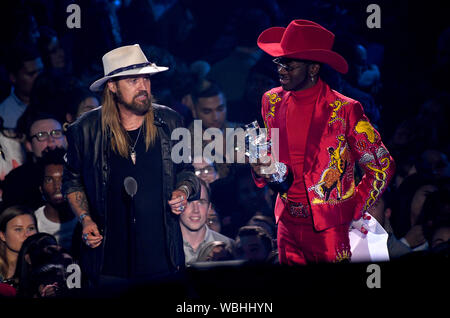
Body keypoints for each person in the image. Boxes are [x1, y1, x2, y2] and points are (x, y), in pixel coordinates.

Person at [251, 19, 395, 264]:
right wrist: (260, 167)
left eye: (289, 64)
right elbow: (269, 154)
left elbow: (382, 165)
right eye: (279, 61)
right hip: (286, 222)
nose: (280, 69)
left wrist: (353, 208)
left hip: (329, 229)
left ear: (313, 69)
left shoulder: (346, 110)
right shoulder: (271, 101)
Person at [62, 44, 200, 285]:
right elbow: (72, 181)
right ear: (112, 87)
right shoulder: (85, 130)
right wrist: (85, 218)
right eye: (133, 81)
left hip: (163, 257)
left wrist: (182, 191)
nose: (143, 87)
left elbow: (186, 171)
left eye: (146, 79)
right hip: (110, 262)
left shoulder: (169, 121)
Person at [1, 112, 67, 210]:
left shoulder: (83, 170)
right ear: (29, 146)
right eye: (41, 135)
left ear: (66, 139)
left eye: (56, 133)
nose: (51, 140)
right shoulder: (16, 181)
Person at [179, 178, 233, 265]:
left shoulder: (230, 246)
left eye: (201, 202)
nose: (195, 210)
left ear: (209, 207)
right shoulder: (164, 248)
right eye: (189, 202)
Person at [34, 148, 77, 252]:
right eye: (49, 180)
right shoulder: (34, 221)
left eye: (62, 179)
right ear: (41, 188)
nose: (57, 186)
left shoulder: (84, 219)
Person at [0, 44, 43, 129]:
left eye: (41, 71)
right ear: (13, 77)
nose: (39, 78)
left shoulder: (54, 99)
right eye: (31, 74)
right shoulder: (4, 115)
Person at [0, 206, 37, 288]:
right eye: (18, 229)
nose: (27, 234)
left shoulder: (43, 265)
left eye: (31, 228)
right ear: (2, 235)